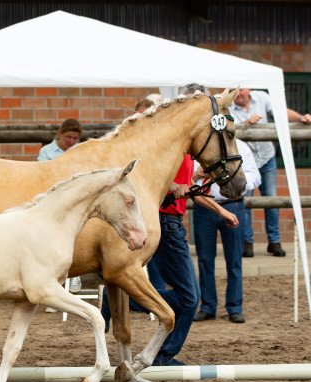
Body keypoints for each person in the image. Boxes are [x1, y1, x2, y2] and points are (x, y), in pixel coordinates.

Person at [101, 84, 239, 366]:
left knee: (188, 297)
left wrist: (220, 211)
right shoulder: (167, 146)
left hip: (173, 222)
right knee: (189, 299)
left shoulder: (189, 148)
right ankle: (162, 354)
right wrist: (171, 187)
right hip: (162, 221)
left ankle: (125, 299)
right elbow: (145, 183)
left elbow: (187, 189)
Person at [229, 89, 311, 258]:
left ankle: (274, 242)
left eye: (240, 89)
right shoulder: (228, 107)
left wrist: (301, 118)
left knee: (272, 200)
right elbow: (228, 129)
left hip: (267, 158)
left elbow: (281, 112)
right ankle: (247, 242)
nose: (237, 93)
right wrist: (244, 123)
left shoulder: (262, 97)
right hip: (245, 160)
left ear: (248, 89)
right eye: (233, 90)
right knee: (245, 200)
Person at [192, 139, 261, 324]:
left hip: (233, 204)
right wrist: (196, 174)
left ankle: (235, 307)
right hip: (205, 206)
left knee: (234, 259)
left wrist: (236, 183)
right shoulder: (201, 147)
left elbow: (255, 176)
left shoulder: (241, 146)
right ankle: (207, 306)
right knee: (205, 259)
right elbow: (186, 179)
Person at [37, 118, 83, 299]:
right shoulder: (46, 152)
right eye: (68, 137)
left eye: (75, 138)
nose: (71, 142)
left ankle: (75, 274)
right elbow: (41, 174)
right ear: (60, 134)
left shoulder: (78, 152)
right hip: (50, 200)